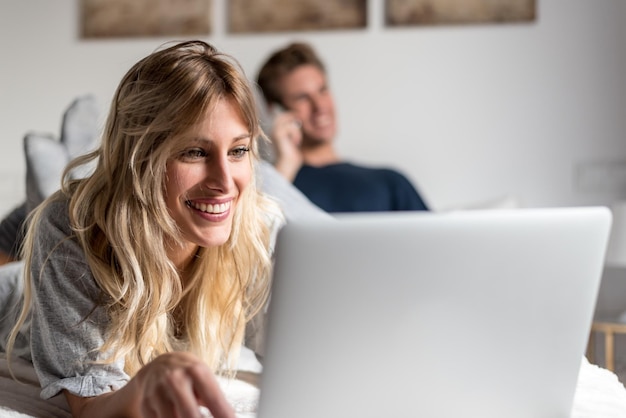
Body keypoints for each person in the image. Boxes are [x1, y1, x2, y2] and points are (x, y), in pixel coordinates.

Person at [4, 40, 284, 418]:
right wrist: (142, 385)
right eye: (195, 152)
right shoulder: (72, 229)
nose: (224, 180)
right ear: (140, 158)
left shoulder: (259, 228)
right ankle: (50, 172)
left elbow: (296, 352)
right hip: (18, 296)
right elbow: (90, 404)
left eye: (238, 151)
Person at [256, 42, 430, 213]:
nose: (320, 106)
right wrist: (285, 167)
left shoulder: (391, 183)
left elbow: (437, 240)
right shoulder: (266, 189)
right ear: (277, 111)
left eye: (323, 90)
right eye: (303, 97)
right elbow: (257, 234)